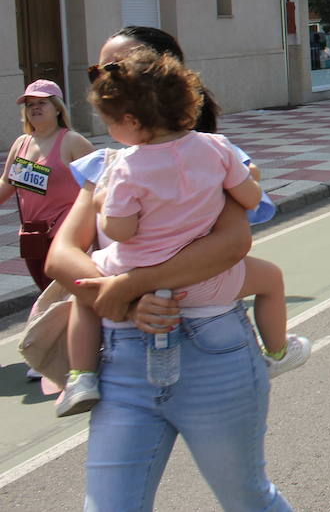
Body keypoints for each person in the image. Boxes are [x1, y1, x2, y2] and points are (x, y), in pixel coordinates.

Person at [45, 29, 293, 511]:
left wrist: (132, 285)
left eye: (119, 71)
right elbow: (60, 257)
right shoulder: (107, 163)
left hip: (211, 351)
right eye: (101, 71)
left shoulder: (214, 153)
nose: (105, 82)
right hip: (122, 362)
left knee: (248, 501)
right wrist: (129, 301)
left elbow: (232, 244)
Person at [55, 51, 309, 418]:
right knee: (270, 278)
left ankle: (81, 375)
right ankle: (277, 351)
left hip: (132, 274)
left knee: (84, 292)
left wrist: (102, 204)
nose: (108, 131)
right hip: (208, 280)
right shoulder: (218, 149)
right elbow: (251, 198)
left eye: (109, 122)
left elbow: (120, 231)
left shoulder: (125, 167)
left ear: (130, 120)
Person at [1, 80, 93, 294]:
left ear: (57, 109)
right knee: (46, 297)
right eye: (30, 104)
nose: (35, 108)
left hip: (66, 235)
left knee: (61, 300)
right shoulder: (21, 143)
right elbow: (7, 182)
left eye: (42, 103)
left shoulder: (73, 142)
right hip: (34, 235)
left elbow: (102, 185)